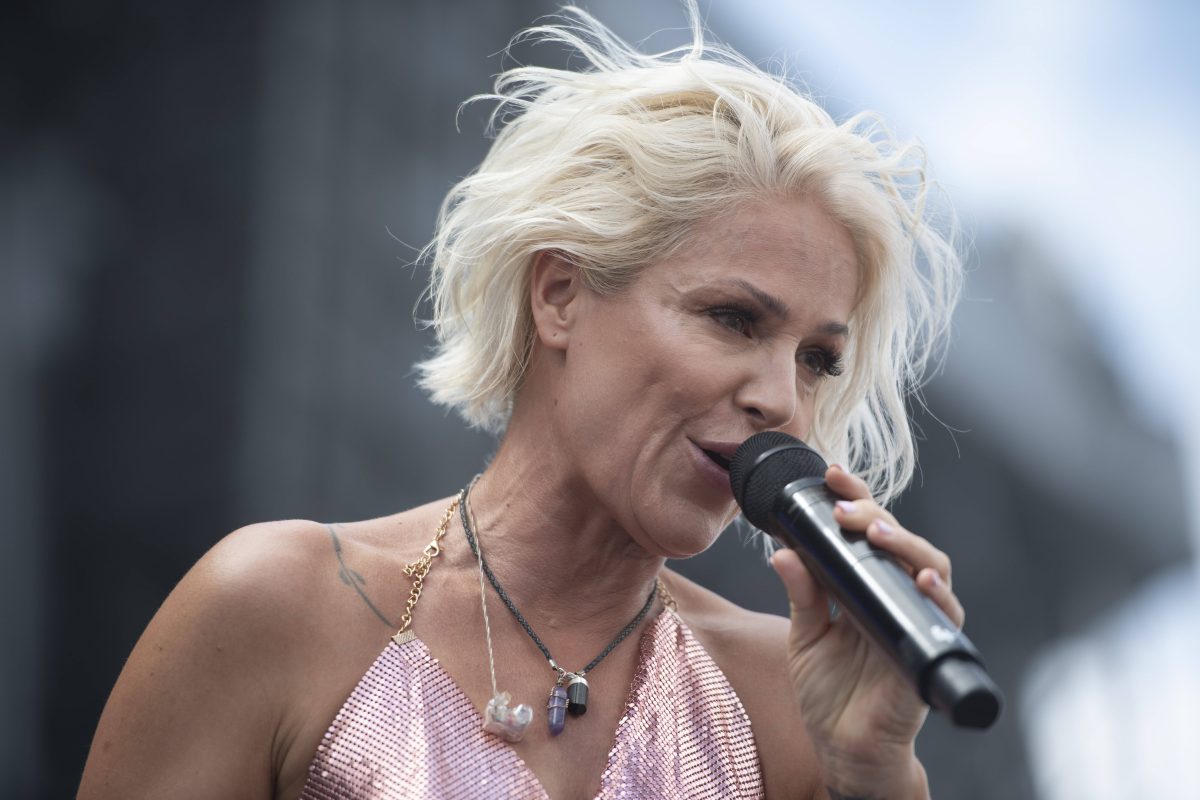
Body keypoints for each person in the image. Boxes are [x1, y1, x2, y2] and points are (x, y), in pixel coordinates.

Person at [79, 4, 965, 798]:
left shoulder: (788, 704)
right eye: (733, 318)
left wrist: (873, 775)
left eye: (817, 360)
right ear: (559, 294)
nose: (780, 399)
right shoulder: (278, 610)